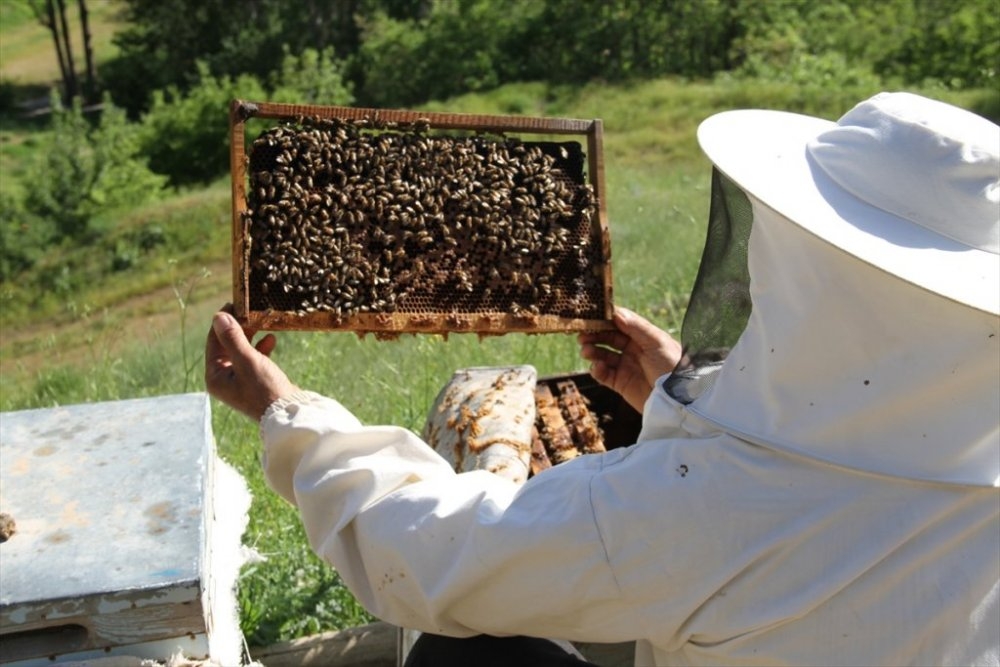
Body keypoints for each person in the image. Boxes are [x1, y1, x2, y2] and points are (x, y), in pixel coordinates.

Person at [206, 91, 999, 666]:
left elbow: (431, 557)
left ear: (807, 272)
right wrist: (680, 393)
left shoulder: (698, 508)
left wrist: (285, 411)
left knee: (471, 658)